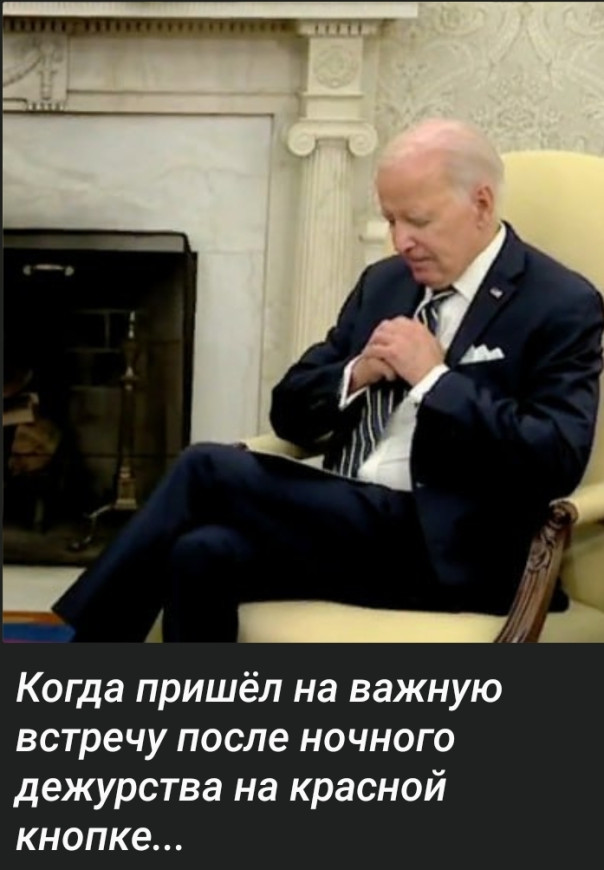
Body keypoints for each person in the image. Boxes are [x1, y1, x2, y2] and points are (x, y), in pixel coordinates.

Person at [52, 118, 604, 642]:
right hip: (352, 522)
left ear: (480, 203)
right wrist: (356, 374)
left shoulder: (561, 303)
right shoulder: (386, 284)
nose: (401, 241)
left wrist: (434, 380)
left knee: (204, 468)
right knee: (199, 551)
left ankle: (83, 655)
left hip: (455, 546)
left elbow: (555, 456)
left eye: (418, 221)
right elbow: (289, 412)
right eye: (390, 220)